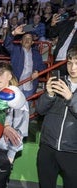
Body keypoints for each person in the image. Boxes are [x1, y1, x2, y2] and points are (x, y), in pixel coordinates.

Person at [0, 62, 29, 188]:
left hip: (4, 150)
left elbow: (21, 129)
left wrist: (11, 157)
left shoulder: (18, 98)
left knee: (0, 184)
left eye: (1, 74)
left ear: (9, 76)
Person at [36, 46, 77, 188]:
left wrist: (71, 98)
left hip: (72, 151)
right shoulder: (58, 81)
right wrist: (49, 94)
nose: (73, 67)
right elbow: (40, 110)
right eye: (70, 62)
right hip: (48, 147)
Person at [3, 24, 46, 98]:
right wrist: (14, 33)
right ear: (21, 41)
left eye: (29, 38)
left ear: (32, 42)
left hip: (29, 85)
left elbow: (42, 66)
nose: (27, 40)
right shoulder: (16, 50)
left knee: (26, 107)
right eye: (25, 38)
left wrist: (37, 71)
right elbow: (7, 44)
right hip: (16, 84)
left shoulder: (36, 54)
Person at [48, 10, 77, 76]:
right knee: (55, 83)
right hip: (58, 60)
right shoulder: (67, 23)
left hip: (72, 62)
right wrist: (53, 24)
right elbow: (52, 34)